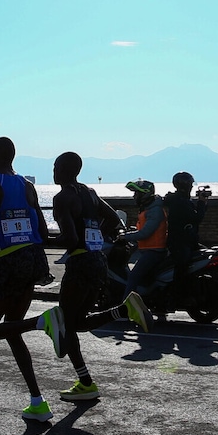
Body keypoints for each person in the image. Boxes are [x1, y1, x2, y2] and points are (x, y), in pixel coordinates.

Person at [39, 151, 153, 402]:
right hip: (98, 261)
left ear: (66, 170)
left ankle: (86, 383)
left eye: (56, 166)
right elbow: (114, 219)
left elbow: (68, 238)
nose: (54, 171)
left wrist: (41, 241)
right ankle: (124, 311)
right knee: (77, 322)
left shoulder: (63, 198)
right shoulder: (89, 192)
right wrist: (96, 238)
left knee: (67, 324)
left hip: (80, 263)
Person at [0, 137, 59, 422]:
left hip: (10, 259)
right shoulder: (27, 184)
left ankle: (42, 322)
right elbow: (43, 229)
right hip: (34, 258)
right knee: (11, 330)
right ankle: (38, 402)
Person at [116, 179, 167, 299]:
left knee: (133, 277)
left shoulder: (154, 211)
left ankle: (126, 308)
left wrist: (125, 236)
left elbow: (145, 233)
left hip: (154, 251)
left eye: (137, 194)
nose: (134, 196)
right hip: (149, 249)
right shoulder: (149, 208)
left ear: (145, 195)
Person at [162, 171, 208, 303]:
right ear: (185, 186)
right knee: (182, 267)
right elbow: (196, 218)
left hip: (188, 240)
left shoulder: (182, 200)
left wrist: (202, 203)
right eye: (191, 185)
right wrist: (201, 203)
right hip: (180, 242)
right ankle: (178, 295)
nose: (192, 187)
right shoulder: (179, 202)